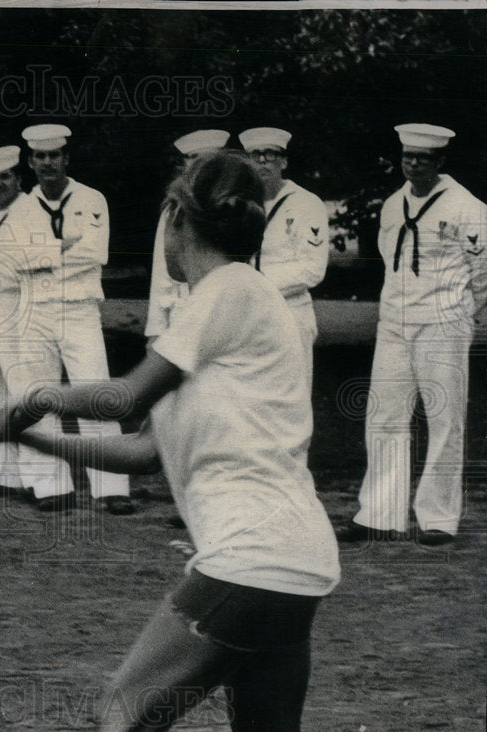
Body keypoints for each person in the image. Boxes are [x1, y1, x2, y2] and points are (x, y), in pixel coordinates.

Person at [0, 151, 398, 732]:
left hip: (251, 559)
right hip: (294, 562)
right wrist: (37, 441)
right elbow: (147, 449)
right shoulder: (228, 304)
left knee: (124, 722)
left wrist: (34, 397)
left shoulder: (227, 289)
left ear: (176, 218)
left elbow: (124, 399)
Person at [344, 124, 487, 547]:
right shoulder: (392, 206)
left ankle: (438, 518)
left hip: (442, 323)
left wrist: (460, 314)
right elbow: (391, 262)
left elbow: (482, 274)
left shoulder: (468, 208)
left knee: (444, 419)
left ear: (441, 162)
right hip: (395, 322)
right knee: (385, 415)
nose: (414, 164)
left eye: (424, 158)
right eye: (408, 157)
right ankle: (380, 513)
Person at [20, 123, 133, 514]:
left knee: (96, 394)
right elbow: (14, 259)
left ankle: (111, 485)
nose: (47, 163)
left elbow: (95, 253)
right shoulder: (20, 207)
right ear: (31, 162)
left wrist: (42, 256)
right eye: (40, 156)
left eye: (54, 155)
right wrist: (59, 249)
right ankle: (51, 485)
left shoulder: (91, 199)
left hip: (79, 309)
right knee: (39, 397)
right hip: (35, 311)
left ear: (66, 158)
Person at [0, 144, 60, 496]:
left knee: (28, 394)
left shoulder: (30, 210)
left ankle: (49, 483)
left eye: (4, 177)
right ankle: (0, 471)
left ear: (18, 179)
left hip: (17, 311)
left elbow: (47, 256)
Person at [238, 127, 329, 386]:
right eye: (255, 155)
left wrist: (256, 284)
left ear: (284, 161)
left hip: (290, 313)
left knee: (292, 400)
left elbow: (312, 269)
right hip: (249, 316)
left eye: (271, 154)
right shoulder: (239, 204)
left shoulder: (306, 204)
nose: (263, 161)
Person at [144, 129, 229, 348]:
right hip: (180, 312)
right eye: (194, 159)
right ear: (186, 165)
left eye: (208, 160)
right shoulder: (173, 211)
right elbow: (161, 273)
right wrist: (155, 331)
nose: (202, 168)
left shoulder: (236, 209)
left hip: (223, 313)